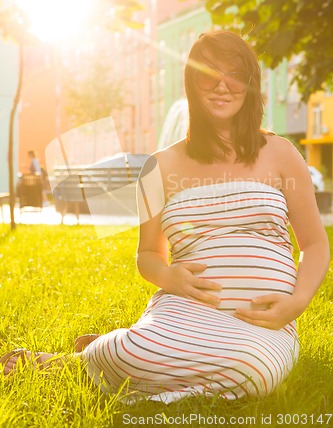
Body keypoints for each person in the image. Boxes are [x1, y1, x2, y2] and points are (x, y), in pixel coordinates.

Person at [1, 31, 330, 402]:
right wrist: (169, 275)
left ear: (250, 84)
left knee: (254, 372)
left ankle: (119, 355)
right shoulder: (160, 166)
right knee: (138, 354)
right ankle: (82, 359)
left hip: (264, 322)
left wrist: (298, 301)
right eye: (209, 74)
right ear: (191, 83)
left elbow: (316, 244)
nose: (222, 86)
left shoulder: (281, 153)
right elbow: (148, 256)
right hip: (185, 310)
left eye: (234, 74)